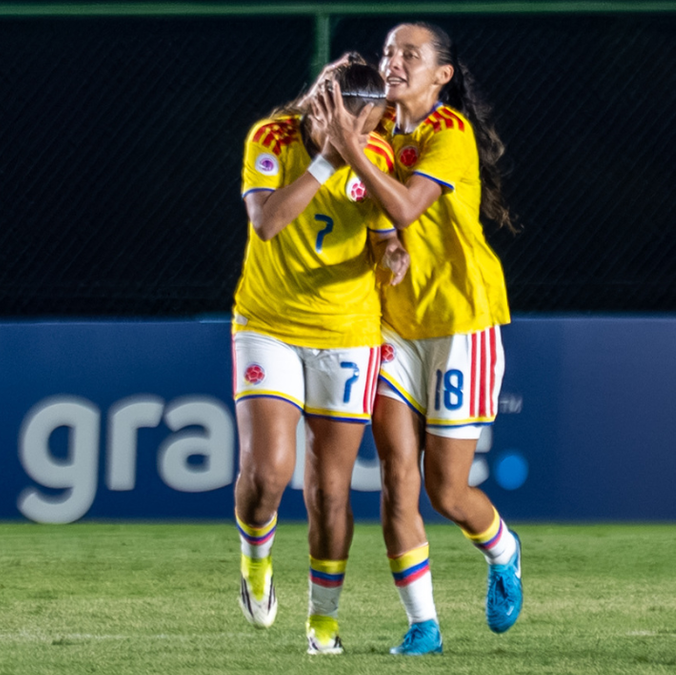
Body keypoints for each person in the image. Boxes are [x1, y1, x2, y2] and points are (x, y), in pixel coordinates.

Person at [315, 22, 522, 656]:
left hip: (461, 324)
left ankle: (504, 551)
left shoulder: (447, 132)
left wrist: (351, 151)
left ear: (442, 75)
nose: (394, 62)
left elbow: (406, 207)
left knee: (447, 491)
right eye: (388, 52)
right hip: (394, 329)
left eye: (411, 54)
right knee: (396, 480)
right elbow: (380, 220)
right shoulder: (374, 135)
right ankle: (423, 625)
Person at [232, 58, 408, 656]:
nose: (370, 136)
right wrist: (327, 161)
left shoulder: (375, 155)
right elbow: (267, 223)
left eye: (374, 126)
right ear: (325, 109)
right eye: (363, 124)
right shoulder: (271, 138)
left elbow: (383, 232)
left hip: (348, 333)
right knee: (267, 474)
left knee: (331, 491)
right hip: (269, 325)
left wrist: (392, 251)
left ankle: (323, 622)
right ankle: (256, 559)